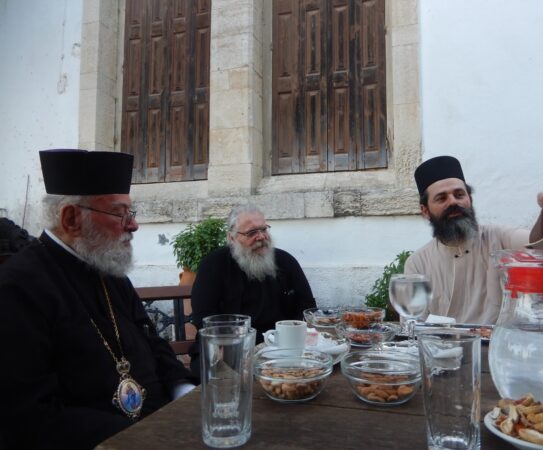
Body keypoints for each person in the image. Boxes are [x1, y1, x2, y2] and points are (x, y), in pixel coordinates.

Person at [0, 149, 196, 450]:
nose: (133, 225)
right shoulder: (16, 287)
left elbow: (153, 343)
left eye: (131, 213)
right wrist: (143, 436)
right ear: (71, 218)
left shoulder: (109, 270)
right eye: (120, 213)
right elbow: (29, 417)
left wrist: (185, 394)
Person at [404, 155, 543, 324]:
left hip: (498, 344)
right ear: (425, 211)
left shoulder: (500, 238)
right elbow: (413, 325)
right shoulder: (418, 263)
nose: (453, 202)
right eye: (441, 198)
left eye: (459, 195)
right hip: (440, 345)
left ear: (470, 199)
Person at [189, 204, 316, 376]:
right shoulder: (213, 265)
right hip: (228, 348)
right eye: (251, 232)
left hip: (282, 350)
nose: (261, 237)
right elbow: (203, 317)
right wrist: (225, 347)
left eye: (263, 229)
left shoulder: (286, 262)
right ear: (232, 238)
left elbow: (308, 308)